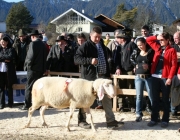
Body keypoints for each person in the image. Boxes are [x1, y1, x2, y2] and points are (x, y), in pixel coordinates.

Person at [74, 26, 124, 129]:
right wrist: (89, 61)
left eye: (99, 37)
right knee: (85, 99)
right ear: (91, 35)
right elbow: (76, 59)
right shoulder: (85, 46)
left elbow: (107, 59)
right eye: (96, 37)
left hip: (103, 76)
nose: (98, 39)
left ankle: (110, 121)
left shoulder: (102, 45)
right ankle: (82, 120)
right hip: (89, 77)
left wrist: (110, 71)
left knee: (107, 98)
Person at [146, 32, 177, 128]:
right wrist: (156, 36)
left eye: (162, 40)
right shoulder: (157, 48)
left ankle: (165, 120)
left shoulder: (172, 50)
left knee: (165, 100)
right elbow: (148, 40)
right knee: (154, 99)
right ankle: (154, 119)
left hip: (165, 78)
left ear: (168, 40)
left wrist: (170, 78)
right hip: (155, 77)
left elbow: (174, 65)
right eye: (159, 40)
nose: (160, 41)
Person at [19, 30, 47, 110]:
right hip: (41, 69)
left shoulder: (33, 44)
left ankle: (27, 104)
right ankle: (38, 105)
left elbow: (30, 57)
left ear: (33, 36)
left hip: (33, 69)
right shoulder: (43, 44)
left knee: (29, 86)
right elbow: (45, 57)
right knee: (38, 87)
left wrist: (27, 66)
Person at [130, 37, 154, 122]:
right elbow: (131, 58)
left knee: (151, 95)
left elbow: (154, 62)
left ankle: (154, 114)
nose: (139, 46)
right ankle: (138, 114)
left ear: (145, 43)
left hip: (148, 76)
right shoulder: (136, 51)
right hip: (138, 76)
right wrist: (135, 64)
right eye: (138, 45)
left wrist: (149, 66)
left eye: (141, 45)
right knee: (139, 96)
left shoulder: (151, 51)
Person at [115, 32, 137, 112]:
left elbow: (135, 56)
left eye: (118, 38)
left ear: (122, 39)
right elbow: (116, 59)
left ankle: (131, 105)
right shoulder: (118, 47)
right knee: (120, 87)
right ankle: (121, 105)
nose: (117, 39)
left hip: (130, 69)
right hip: (121, 70)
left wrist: (135, 66)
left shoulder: (131, 45)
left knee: (130, 87)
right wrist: (117, 68)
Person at [0, 36, 17, 109]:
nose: (2, 43)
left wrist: (1, 58)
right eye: (1, 42)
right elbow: (6, 58)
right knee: (1, 88)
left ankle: (10, 103)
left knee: (9, 88)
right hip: (1, 72)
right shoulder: (0, 49)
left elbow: (10, 57)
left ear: (7, 42)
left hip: (8, 72)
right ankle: (1, 103)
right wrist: (5, 59)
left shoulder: (11, 49)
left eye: (4, 42)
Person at [170, 31, 180, 117]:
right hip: (174, 72)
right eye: (174, 38)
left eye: (176, 38)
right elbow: (172, 57)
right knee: (174, 90)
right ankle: (173, 110)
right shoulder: (173, 47)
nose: (175, 40)